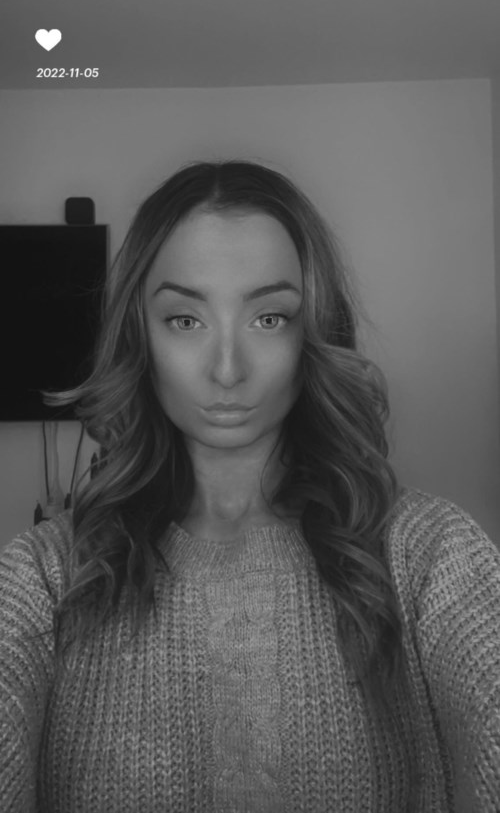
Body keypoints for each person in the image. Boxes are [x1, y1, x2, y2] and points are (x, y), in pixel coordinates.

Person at [0, 159, 499, 813]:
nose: (228, 369)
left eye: (269, 318)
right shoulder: (45, 576)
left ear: (314, 329)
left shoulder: (431, 555)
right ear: (139, 336)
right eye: (185, 319)